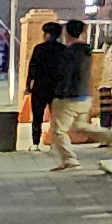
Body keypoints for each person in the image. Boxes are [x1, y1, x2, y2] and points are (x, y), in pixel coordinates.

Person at [24, 17, 75, 170]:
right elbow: (68, 71)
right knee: (56, 118)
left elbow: (31, 69)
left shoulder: (39, 49)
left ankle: (35, 143)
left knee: (37, 117)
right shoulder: (64, 50)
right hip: (57, 89)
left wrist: (28, 86)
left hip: (40, 87)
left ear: (46, 34)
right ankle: (54, 143)